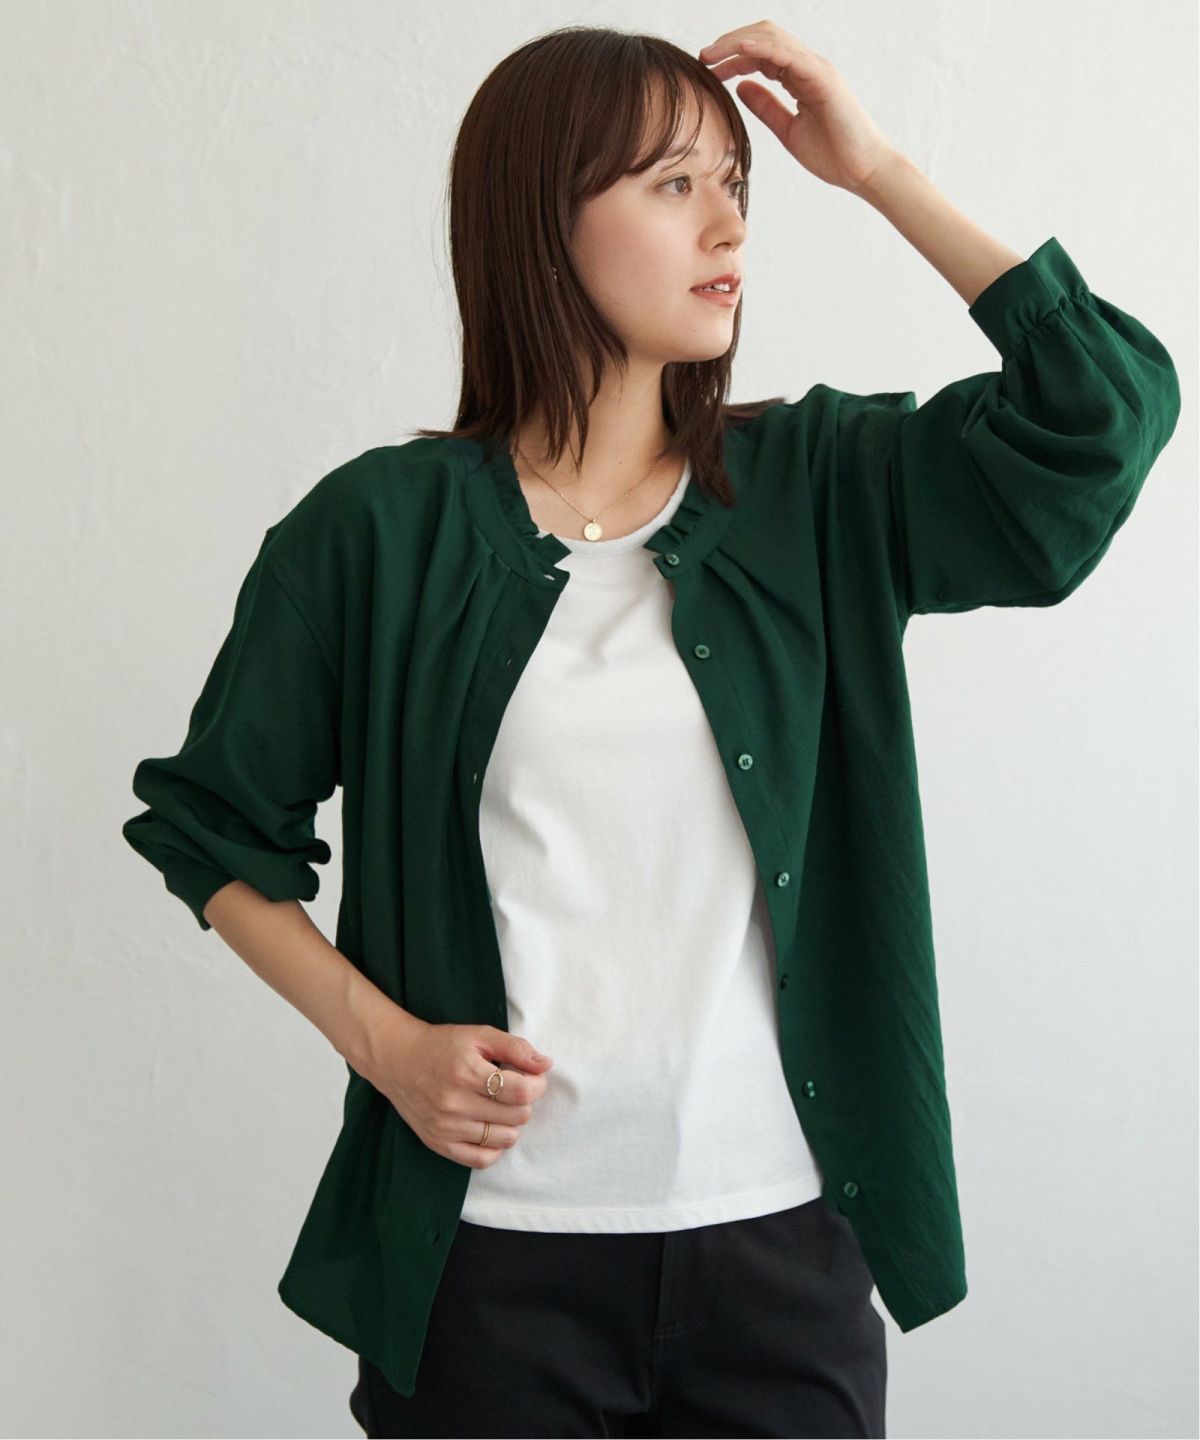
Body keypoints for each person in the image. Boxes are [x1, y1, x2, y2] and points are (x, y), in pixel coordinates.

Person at [121, 21, 1180, 1440]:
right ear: (541, 217)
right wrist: (387, 1048)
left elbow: (1103, 418)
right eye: (675, 184)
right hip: (488, 1272)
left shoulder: (818, 490)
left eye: (736, 183)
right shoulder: (375, 532)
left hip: (781, 1256)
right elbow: (209, 829)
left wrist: (876, 169)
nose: (729, 223)